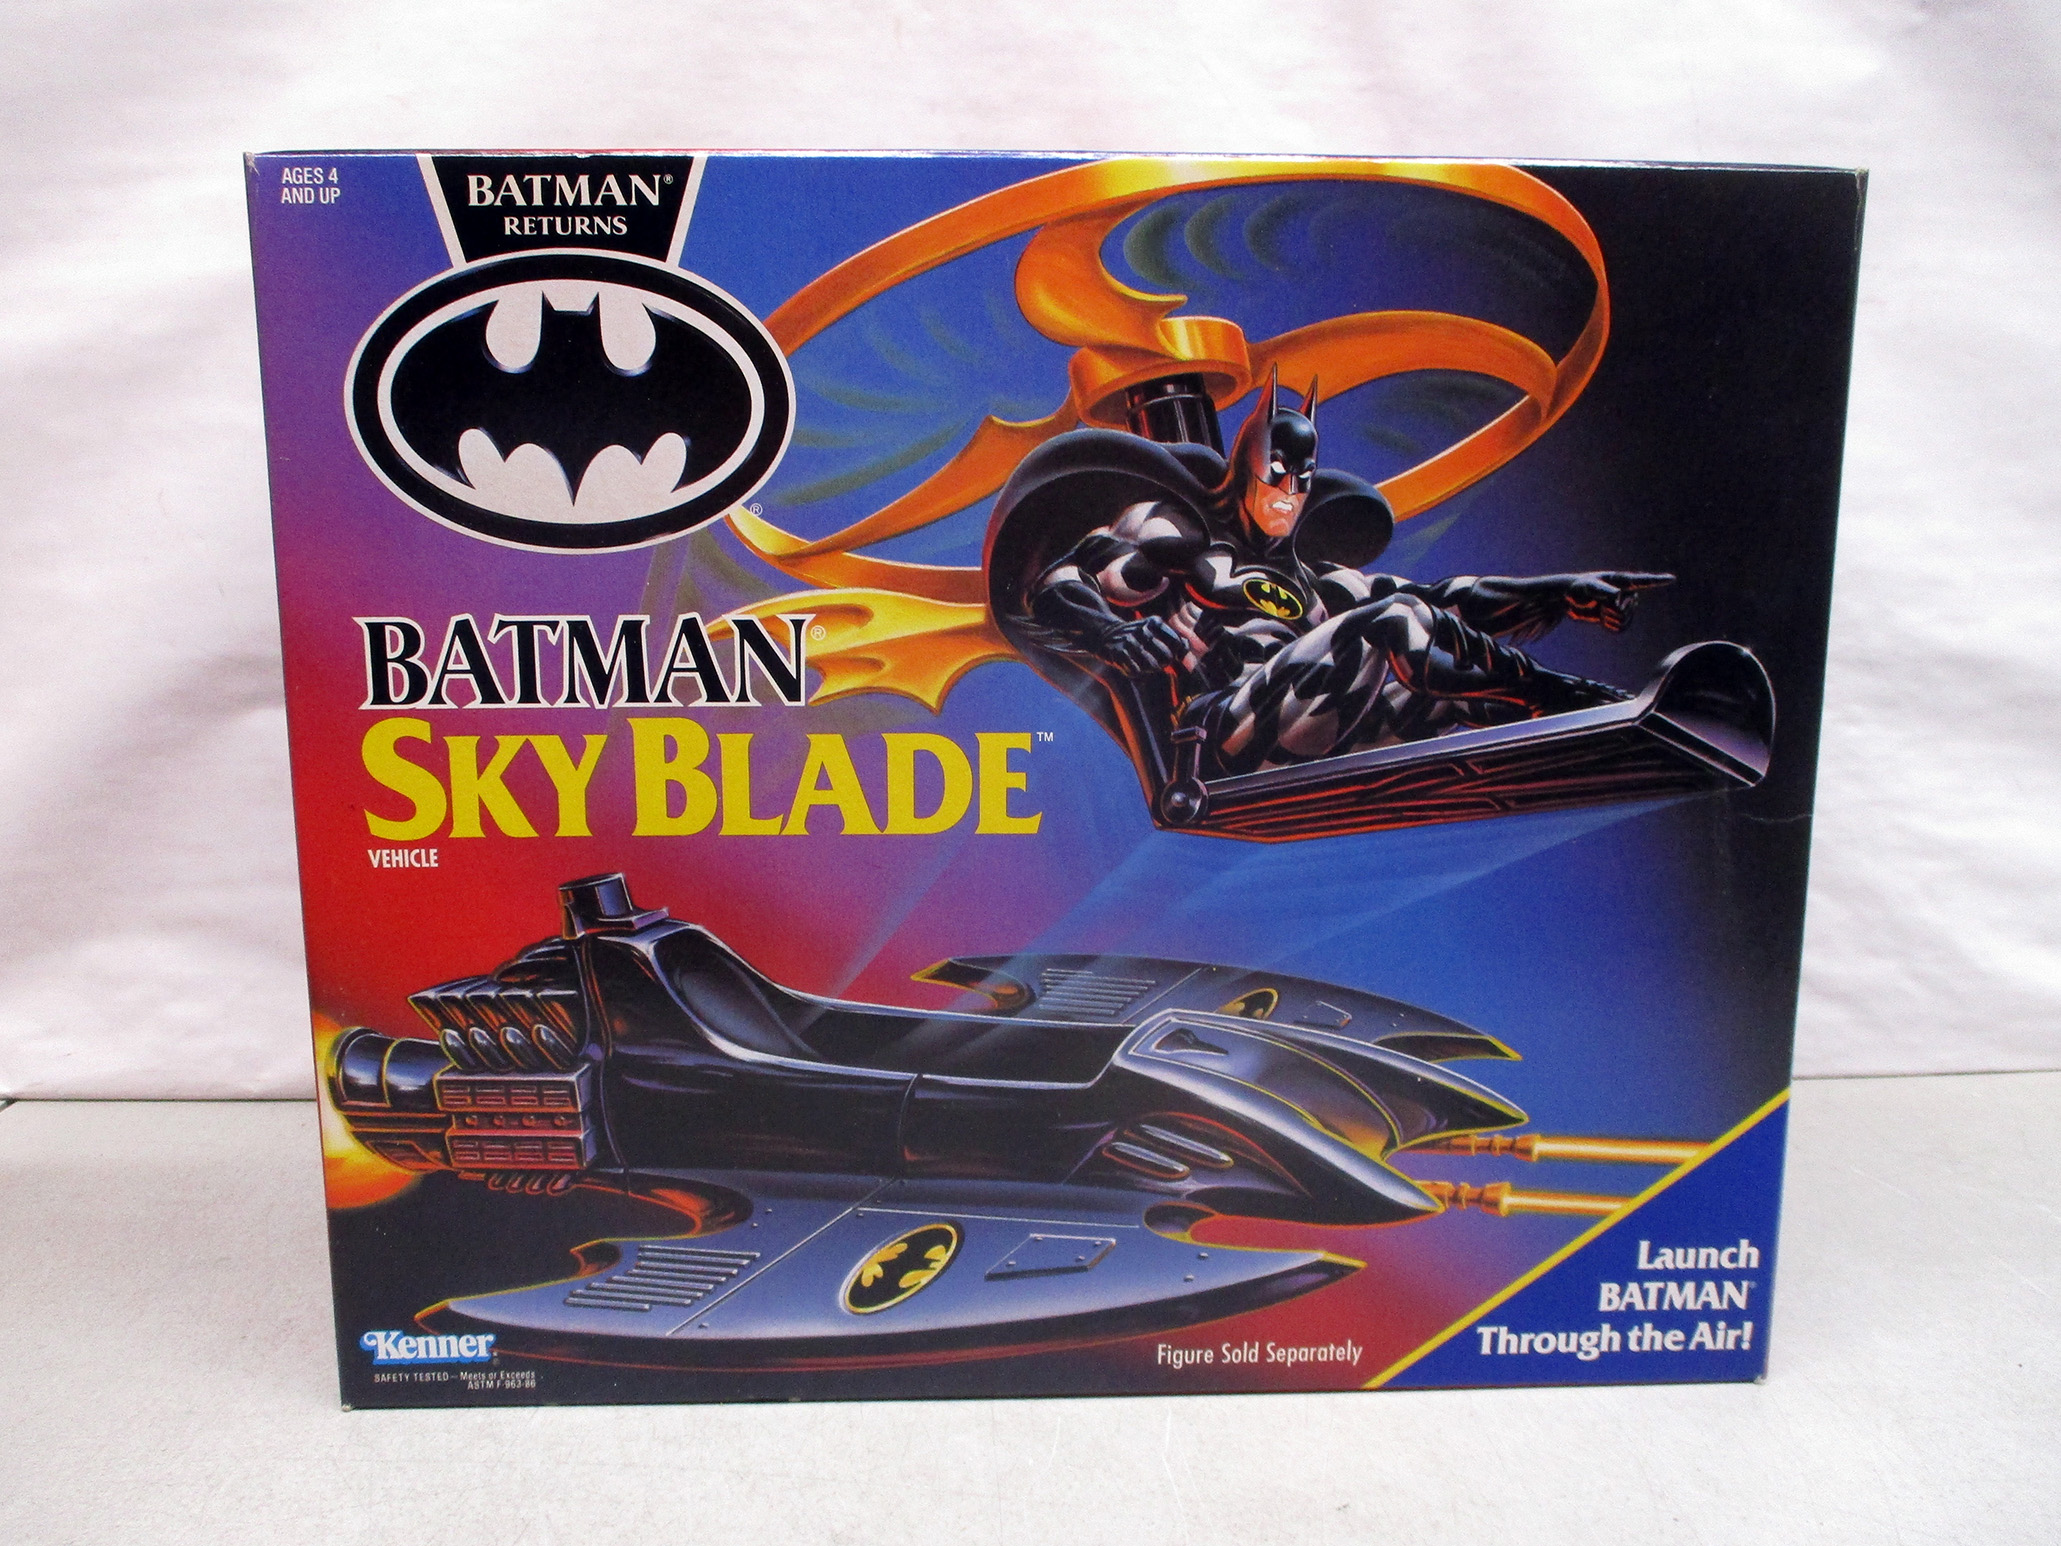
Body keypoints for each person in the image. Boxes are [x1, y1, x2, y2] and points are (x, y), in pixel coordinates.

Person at [1023, 372, 1672, 776]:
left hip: (1309, 727)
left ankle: (1587, 733)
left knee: (1441, 671)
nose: (1288, 493)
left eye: (1301, 480)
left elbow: (1444, 602)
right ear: (1245, 469)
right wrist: (1111, 632)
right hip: (1222, 735)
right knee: (1395, 621)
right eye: (1277, 475)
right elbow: (1061, 581)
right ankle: (1565, 699)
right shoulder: (1178, 543)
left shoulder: (1320, 583)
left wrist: (1561, 591)